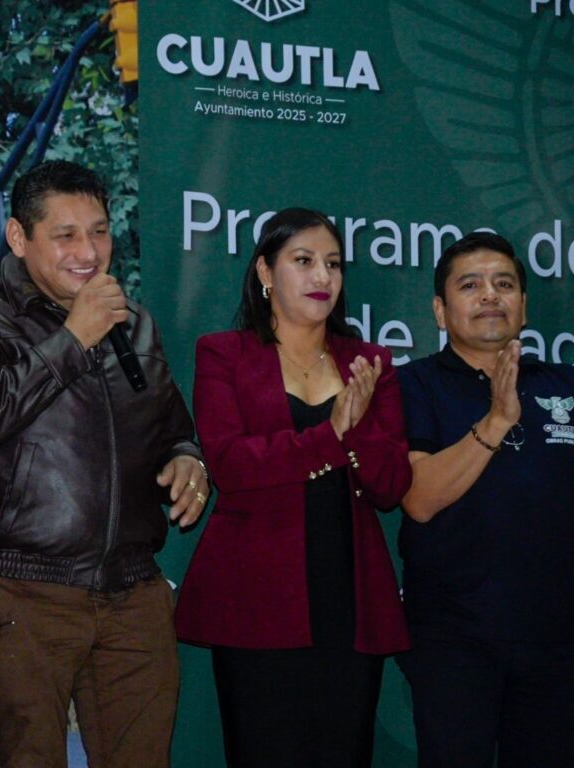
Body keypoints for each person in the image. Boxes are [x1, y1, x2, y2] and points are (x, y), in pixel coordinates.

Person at [0, 160, 207, 768]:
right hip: (20, 586)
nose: (88, 251)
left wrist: (188, 459)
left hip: (131, 588)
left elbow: (172, 427)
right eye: (66, 235)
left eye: (99, 232)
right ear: (18, 237)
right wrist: (73, 338)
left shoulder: (135, 324)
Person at [175, 208, 412, 767]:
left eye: (333, 264)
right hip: (254, 599)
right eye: (303, 261)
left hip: (349, 603)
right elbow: (232, 467)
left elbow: (390, 486)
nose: (322, 276)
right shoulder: (223, 353)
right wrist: (331, 435)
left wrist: (357, 432)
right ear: (265, 271)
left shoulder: (369, 362)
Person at [396, 231, 574, 768]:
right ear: (440, 310)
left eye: (504, 284)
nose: (490, 295)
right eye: (470, 285)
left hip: (556, 642)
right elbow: (418, 499)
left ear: (524, 305)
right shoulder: (413, 385)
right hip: (454, 639)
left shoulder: (563, 385)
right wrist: (496, 421)